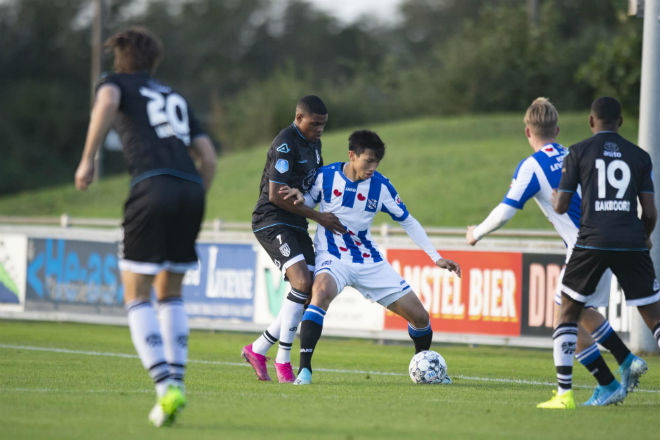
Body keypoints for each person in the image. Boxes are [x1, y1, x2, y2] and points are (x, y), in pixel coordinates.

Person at [74, 27, 217, 426]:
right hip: (191, 189)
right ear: (154, 60)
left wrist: (88, 158)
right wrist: (192, 194)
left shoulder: (115, 83)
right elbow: (208, 156)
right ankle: (179, 387)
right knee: (170, 293)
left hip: (151, 186)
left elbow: (106, 102)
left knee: (136, 293)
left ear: (119, 58)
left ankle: (164, 387)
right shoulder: (174, 95)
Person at [466, 97, 646, 406]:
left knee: (562, 317)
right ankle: (622, 364)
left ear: (527, 132)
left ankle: (576, 391)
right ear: (558, 129)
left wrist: (476, 233)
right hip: (610, 241)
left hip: (584, 248)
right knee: (581, 314)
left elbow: (507, 211)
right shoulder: (575, 153)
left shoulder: (532, 166)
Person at [281, 129, 461, 385]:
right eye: (368, 161)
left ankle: (426, 368)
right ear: (352, 155)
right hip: (333, 256)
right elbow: (306, 202)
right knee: (320, 293)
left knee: (420, 317)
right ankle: (305, 371)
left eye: (376, 163)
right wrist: (300, 199)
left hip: (368, 260)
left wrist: (436, 257)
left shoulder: (381, 186)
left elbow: (407, 221)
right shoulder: (327, 176)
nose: (372, 168)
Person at [537, 96, 660, 409]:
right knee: (655, 318)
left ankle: (564, 394)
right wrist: (644, 237)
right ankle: (620, 363)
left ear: (591, 122)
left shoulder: (577, 151)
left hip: (591, 242)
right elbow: (649, 211)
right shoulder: (640, 156)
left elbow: (562, 205)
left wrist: (553, 201)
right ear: (620, 122)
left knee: (566, 310)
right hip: (631, 240)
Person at [244, 95, 345, 383]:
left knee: (309, 292)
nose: (319, 130)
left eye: (323, 125)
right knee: (301, 282)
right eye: (314, 124)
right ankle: (283, 361)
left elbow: (311, 183)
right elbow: (276, 194)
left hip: (296, 221)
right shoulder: (285, 143)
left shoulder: (314, 143)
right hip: (272, 219)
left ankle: (258, 348)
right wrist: (318, 216)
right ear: (299, 118)